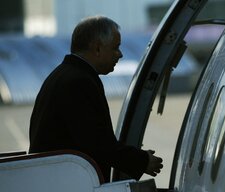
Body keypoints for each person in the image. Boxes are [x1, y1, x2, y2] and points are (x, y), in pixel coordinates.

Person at [29, 15, 163, 182]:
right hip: (67, 187)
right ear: (97, 48)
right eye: (116, 48)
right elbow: (96, 143)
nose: (120, 54)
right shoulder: (78, 82)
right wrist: (142, 161)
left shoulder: (63, 75)